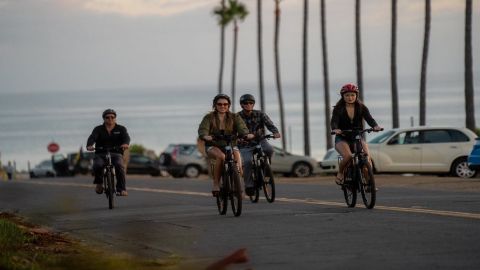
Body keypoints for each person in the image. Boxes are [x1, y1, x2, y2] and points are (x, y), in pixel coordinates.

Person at [198, 94, 253, 196]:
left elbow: (242, 127)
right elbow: (203, 129)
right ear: (215, 105)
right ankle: (216, 184)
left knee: (238, 163)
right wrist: (205, 136)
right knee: (221, 156)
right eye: (219, 104)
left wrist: (245, 134)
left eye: (225, 104)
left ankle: (238, 187)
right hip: (213, 145)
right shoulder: (209, 117)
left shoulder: (234, 116)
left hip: (231, 144)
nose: (222, 106)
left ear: (228, 105)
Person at [331, 83, 382, 184]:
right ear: (343, 96)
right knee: (348, 156)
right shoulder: (338, 108)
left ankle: (369, 183)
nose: (350, 98)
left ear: (356, 95)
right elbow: (334, 121)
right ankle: (341, 173)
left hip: (357, 137)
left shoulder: (361, 107)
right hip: (342, 138)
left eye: (352, 95)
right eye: (347, 95)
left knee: (366, 157)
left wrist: (375, 126)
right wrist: (335, 129)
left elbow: (369, 119)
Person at [237, 94, 281, 196]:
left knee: (269, 150)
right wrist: (243, 136)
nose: (248, 104)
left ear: (253, 104)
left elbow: (270, 124)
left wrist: (275, 132)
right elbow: (234, 129)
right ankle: (249, 185)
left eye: (250, 103)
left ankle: (266, 168)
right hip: (245, 144)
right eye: (245, 103)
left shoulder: (260, 114)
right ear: (241, 105)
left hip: (260, 140)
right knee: (247, 162)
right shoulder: (237, 117)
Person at [86, 109, 130, 196]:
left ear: (115, 118)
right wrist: (90, 145)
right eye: (107, 117)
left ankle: (121, 189)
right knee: (97, 165)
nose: (110, 119)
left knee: (120, 166)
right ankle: (99, 183)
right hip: (100, 153)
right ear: (104, 118)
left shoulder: (121, 129)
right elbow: (92, 137)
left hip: (116, 153)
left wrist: (125, 144)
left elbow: (126, 137)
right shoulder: (98, 129)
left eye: (112, 117)